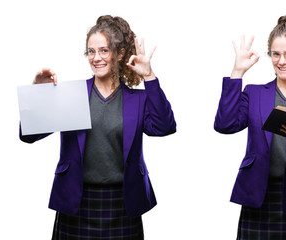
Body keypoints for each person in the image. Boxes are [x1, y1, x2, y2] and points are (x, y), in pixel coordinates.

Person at [20, 15, 176, 239]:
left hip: (123, 204)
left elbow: (164, 127)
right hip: (77, 202)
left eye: (104, 50)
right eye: (91, 51)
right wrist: (38, 94)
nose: (96, 58)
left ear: (120, 53)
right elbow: (29, 136)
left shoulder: (137, 99)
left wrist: (149, 76)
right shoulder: (72, 95)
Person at [214, 15, 286, 239]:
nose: (281, 61)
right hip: (259, 199)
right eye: (276, 54)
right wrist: (237, 72)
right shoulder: (254, 93)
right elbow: (225, 124)